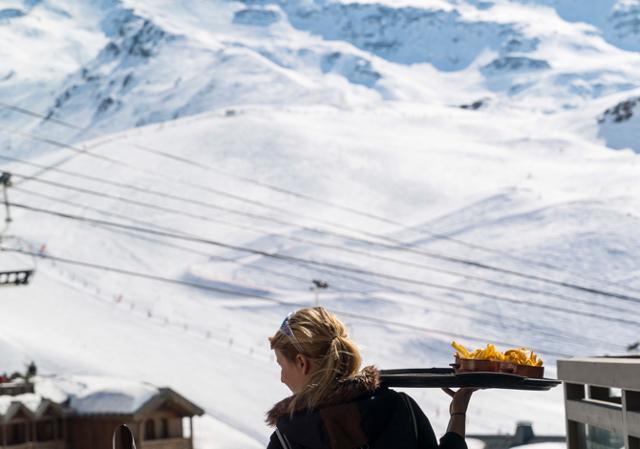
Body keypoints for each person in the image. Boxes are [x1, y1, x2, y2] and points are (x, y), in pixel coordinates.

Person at [266, 307, 476, 449]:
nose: (282, 378)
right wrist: (458, 413)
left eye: (281, 365)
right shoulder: (399, 408)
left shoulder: (288, 440)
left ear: (302, 363)